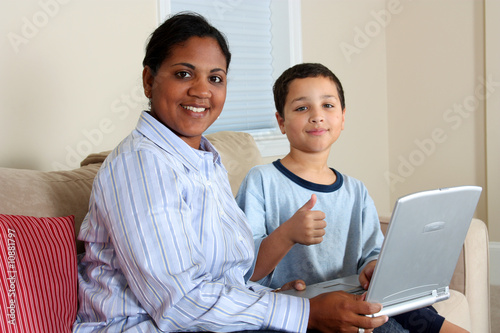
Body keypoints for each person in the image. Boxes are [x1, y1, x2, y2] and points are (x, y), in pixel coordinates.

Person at [73, 13, 388, 333]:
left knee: (377, 320)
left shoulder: (204, 161)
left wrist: (276, 297)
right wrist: (303, 313)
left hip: (210, 323)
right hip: (144, 326)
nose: (201, 91)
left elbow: (229, 277)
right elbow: (180, 302)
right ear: (148, 80)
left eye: (215, 78)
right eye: (184, 74)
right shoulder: (141, 166)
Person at [235, 63, 469, 333]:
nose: (317, 116)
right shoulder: (261, 180)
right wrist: (287, 234)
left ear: (343, 118)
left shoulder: (355, 190)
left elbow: (372, 253)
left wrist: (372, 268)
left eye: (328, 106)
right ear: (281, 122)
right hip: (300, 309)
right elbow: (244, 271)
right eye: (302, 108)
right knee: (383, 325)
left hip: (353, 297)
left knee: (413, 309)